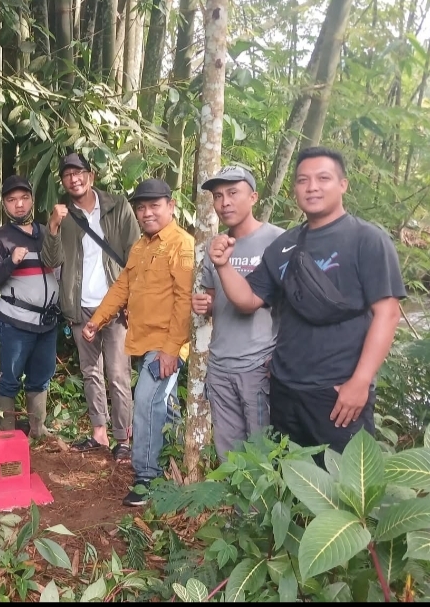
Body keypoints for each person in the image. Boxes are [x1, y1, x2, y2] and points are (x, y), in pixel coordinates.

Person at [208, 147, 405, 466]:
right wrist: (223, 265)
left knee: (348, 488)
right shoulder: (284, 245)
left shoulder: (367, 239)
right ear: (294, 189)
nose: (312, 186)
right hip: (286, 390)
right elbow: (248, 301)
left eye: (323, 178)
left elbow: (388, 313)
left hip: (339, 392)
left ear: (343, 185)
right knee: (294, 485)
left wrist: (360, 382)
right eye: (303, 180)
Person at [84, 178, 194, 507]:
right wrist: (97, 320)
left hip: (166, 344)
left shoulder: (182, 245)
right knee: (168, 406)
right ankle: (178, 464)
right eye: (141, 207)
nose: (147, 213)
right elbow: (121, 287)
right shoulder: (141, 246)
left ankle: (146, 477)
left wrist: (172, 350)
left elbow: (185, 300)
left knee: (145, 404)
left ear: (171, 206)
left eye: (154, 206)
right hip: (145, 341)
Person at [41, 152, 141, 462]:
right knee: (90, 373)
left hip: (113, 305)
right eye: (68, 174)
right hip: (79, 307)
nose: (74, 178)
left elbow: (135, 255)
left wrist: (130, 302)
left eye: (79, 172)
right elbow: (51, 261)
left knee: (118, 374)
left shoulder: (116, 206)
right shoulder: (62, 215)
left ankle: (124, 437)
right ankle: (99, 432)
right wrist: (53, 227)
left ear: (91, 176)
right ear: (63, 181)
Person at [192, 166, 285, 460]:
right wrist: (203, 305)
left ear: (254, 197)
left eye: (233, 193)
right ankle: (236, 507)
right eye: (218, 196)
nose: (224, 203)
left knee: (262, 453)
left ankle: (261, 509)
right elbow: (212, 297)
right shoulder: (214, 245)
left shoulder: (278, 242)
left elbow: (294, 305)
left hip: (259, 365)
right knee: (228, 453)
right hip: (220, 365)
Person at [0, 176, 62, 438]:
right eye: (12, 200)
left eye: (24, 198)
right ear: (4, 205)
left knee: (41, 375)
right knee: (10, 377)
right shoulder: (0, 238)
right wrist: (10, 262)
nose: (19, 205)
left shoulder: (47, 232)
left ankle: (38, 428)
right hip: (15, 320)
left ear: (32, 200)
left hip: (47, 322)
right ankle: (7, 433)